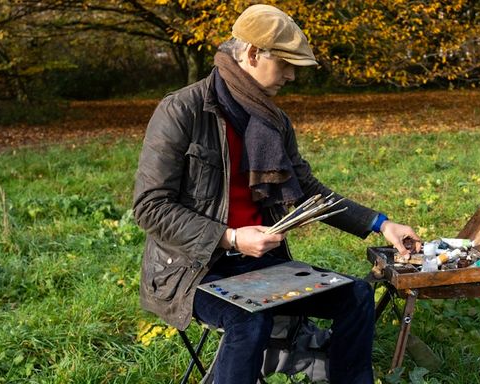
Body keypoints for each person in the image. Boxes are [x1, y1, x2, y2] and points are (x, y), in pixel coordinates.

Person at [132, 4, 420, 384]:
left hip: (260, 268)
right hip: (191, 272)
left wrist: (380, 224)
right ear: (252, 54)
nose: (292, 76)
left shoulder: (273, 119)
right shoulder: (182, 110)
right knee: (251, 319)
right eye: (286, 64)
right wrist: (230, 237)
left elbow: (308, 192)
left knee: (357, 298)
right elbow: (150, 208)